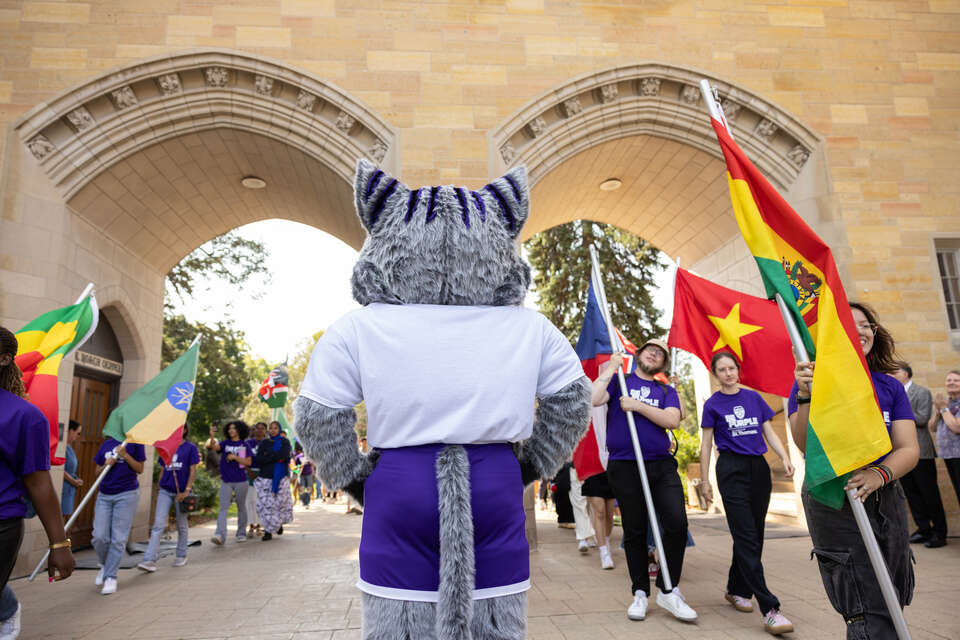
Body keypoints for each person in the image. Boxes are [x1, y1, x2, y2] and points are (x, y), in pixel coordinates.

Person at [789, 302, 918, 640]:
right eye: (850, 324)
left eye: (867, 325)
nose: (861, 331)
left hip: (886, 498)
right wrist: (806, 396)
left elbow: (908, 448)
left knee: (892, 597)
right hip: (835, 498)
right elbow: (804, 443)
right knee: (866, 605)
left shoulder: (889, 387)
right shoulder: (811, 383)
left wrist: (880, 475)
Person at [592, 338, 697, 623]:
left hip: (660, 465)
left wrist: (637, 406)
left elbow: (672, 420)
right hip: (625, 465)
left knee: (677, 523)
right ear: (638, 354)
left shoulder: (665, 389)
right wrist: (611, 368)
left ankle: (667, 588)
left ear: (662, 363)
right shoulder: (620, 381)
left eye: (660, 353)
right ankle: (639, 591)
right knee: (635, 529)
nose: (655, 352)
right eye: (650, 348)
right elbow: (593, 398)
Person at [699, 352, 795, 635]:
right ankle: (770, 609)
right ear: (716, 374)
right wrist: (704, 481)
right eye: (722, 370)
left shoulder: (753, 398)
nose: (728, 373)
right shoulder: (713, 405)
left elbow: (769, 430)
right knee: (746, 536)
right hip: (731, 470)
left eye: (731, 368)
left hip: (758, 469)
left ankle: (735, 588)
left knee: (753, 534)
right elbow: (706, 445)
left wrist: (785, 456)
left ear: (738, 370)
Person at [0, 327, 74, 638]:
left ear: (4, 359)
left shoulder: (25, 416)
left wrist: (59, 544)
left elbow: (39, 484)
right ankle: (6, 607)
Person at [892, 364, 946, 548]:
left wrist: (897, 413)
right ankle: (924, 529)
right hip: (900, 453)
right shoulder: (893, 393)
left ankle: (940, 533)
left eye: (895, 371)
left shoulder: (921, 392)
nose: (891, 375)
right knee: (912, 494)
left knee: (929, 493)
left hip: (922, 452)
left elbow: (923, 418)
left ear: (905, 373)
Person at [91, 427, 146, 595]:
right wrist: (106, 465)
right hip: (105, 495)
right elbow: (96, 472)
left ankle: (111, 577)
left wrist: (125, 455)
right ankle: (104, 564)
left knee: (118, 538)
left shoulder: (136, 443)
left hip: (127, 494)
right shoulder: (106, 445)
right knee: (99, 536)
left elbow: (140, 468)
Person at [137, 429, 199, 572]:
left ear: (185, 430)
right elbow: (163, 469)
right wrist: (159, 486)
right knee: (158, 524)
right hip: (165, 490)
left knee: (181, 524)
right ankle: (149, 560)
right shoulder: (166, 447)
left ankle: (181, 554)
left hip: (181, 492)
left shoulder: (190, 448)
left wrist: (187, 490)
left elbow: (193, 470)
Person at [206, 420, 253, 545]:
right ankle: (220, 535)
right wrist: (212, 435)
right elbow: (213, 447)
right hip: (226, 480)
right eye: (229, 428)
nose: (231, 430)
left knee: (241, 507)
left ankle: (241, 533)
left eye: (234, 428)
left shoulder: (244, 444)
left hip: (241, 480)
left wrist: (235, 457)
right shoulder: (225, 443)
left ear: (240, 430)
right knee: (223, 508)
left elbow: (248, 462)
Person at [253, 421, 293, 541]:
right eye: (271, 428)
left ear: (279, 430)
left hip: (281, 478)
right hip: (266, 477)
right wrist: (275, 457)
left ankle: (278, 524)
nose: (273, 430)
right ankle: (268, 531)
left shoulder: (284, 442)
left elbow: (284, 456)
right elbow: (259, 458)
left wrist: (269, 456)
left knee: (279, 504)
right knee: (266, 505)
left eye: (275, 428)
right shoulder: (264, 442)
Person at [931, 369, 960, 508]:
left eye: (955, 380)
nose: (951, 383)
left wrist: (943, 408)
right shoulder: (946, 402)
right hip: (949, 455)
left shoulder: (946, 405)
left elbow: (956, 427)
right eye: (949, 380)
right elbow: (932, 427)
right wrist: (937, 413)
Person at [568, 463, 596, 553]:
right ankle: (584, 537)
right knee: (579, 504)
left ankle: (591, 534)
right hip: (575, 466)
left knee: (592, 504)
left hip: (593, 465)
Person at [245, 422, 266, 537]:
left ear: (265, 431)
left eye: (262, 428)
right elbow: (241, 458)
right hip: (249, 473)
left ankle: (259, 525)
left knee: (260, 501)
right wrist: (249, 471)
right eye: (257, 428)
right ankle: (251, 525)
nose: (259, 430)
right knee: (250, 500)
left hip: (263, 474)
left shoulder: (268, 443)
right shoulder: (247, 443)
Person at [61, 420, 83, 521]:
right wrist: (73, 481)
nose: (78, 436)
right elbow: (60, 469)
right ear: (70, 431)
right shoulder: (62, 448)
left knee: (65, 519)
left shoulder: (69, 448)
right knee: (60, 520)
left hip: (69, 489)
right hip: (64, 488)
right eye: (77, 433)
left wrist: (76, 479)